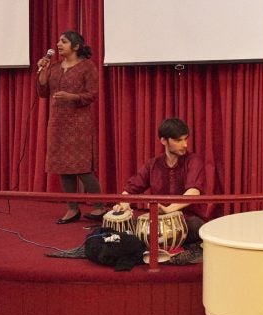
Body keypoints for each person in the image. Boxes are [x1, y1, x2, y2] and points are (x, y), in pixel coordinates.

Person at [112, 118, 206, 264]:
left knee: (197, 226)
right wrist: (123, 203)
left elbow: (193, 192)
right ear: (164, 140)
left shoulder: (193, 161)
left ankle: (163, 249)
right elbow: (132, 187)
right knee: (128, 225)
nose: (185, 144)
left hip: (187, 221)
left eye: (185, 139)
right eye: (179, 140)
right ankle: (170, 249)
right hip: (158, 222)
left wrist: (168, 210)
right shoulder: (153, 164)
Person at [36, 30, 105, 224]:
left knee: (82, 168)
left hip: (79, 124)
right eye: (58, 41)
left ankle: (100, 207)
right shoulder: (55, 67)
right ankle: (72, 209)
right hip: (57, 122)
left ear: (75, 46)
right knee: (63, 167)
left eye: (63, 42)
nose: (58, 44)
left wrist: (72, 97)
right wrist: (43, 70)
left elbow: (92, 95)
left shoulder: (87, 67)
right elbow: (43, 92)